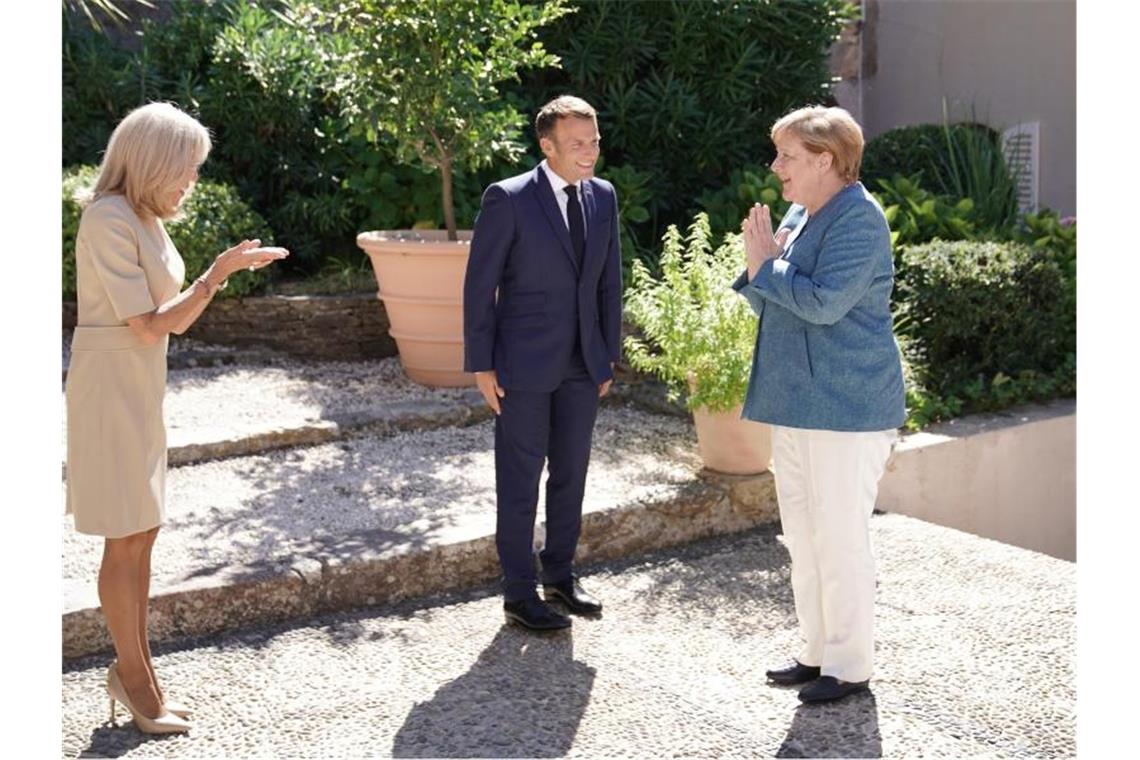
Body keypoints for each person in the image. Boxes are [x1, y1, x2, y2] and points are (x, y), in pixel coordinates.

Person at [65, 102, 288, 733]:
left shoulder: (142, 218)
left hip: (140, 384)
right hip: (111, 388)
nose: (190, 179)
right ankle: (134, 681)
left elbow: (171, 321)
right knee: (124, 534)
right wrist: (217, 273)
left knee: (143, 533)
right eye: (186, 167)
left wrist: (216, 277)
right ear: (153, 160)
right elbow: (148, 323)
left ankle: (138, 675)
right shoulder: (108, 217)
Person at [732, 105, 905, 703]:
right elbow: (775, 299)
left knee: (839, 538)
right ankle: (816, 653)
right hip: (800, 403)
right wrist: (763, 272)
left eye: (788, 156)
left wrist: (766, 268)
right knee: (803, 536)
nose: (776, 166)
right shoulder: (804, 212)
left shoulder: (859, 220)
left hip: (847, 408)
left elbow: (826, 303)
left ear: (826, 160)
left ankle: (850, 666)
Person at [463, 95, 623, 631]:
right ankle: (517, 591)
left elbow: (608, 283)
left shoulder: (603, 196)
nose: (590, 152)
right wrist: (482, 365)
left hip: (583, 364)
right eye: (577, 143)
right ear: (546, 145)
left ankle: (559, 574)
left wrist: (605, 358)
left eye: (594, 141)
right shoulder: (507, 199)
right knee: (520, 478)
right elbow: (478, 286)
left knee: (571, 473)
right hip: (521, 366)